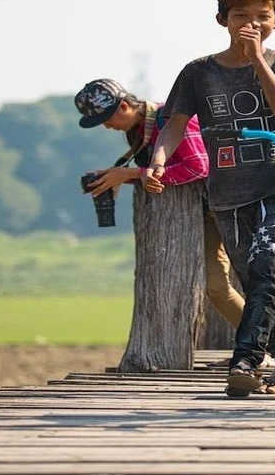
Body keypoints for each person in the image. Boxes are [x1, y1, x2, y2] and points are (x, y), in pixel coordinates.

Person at [143, 0, 275, 398]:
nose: (252, 24)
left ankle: (245, 362)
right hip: (228, 192)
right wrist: (159, 159)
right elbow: (176, 125)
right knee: (255, 281)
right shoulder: (199, 72)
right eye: (241, 16)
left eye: (262, 16)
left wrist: (257, 59)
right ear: (223, 20)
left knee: (266, 268)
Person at [74, 79, 245, 329]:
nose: (106, 125)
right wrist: (122, 178)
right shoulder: (140, 129)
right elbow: (162, 174)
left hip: (236, 206)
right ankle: (259, 350)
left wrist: (131, 174)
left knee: (257, 284)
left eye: (106, 117)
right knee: (216, 287)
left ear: (124, 106)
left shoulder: (172, 119)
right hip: (209, 212)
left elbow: (199, 168)